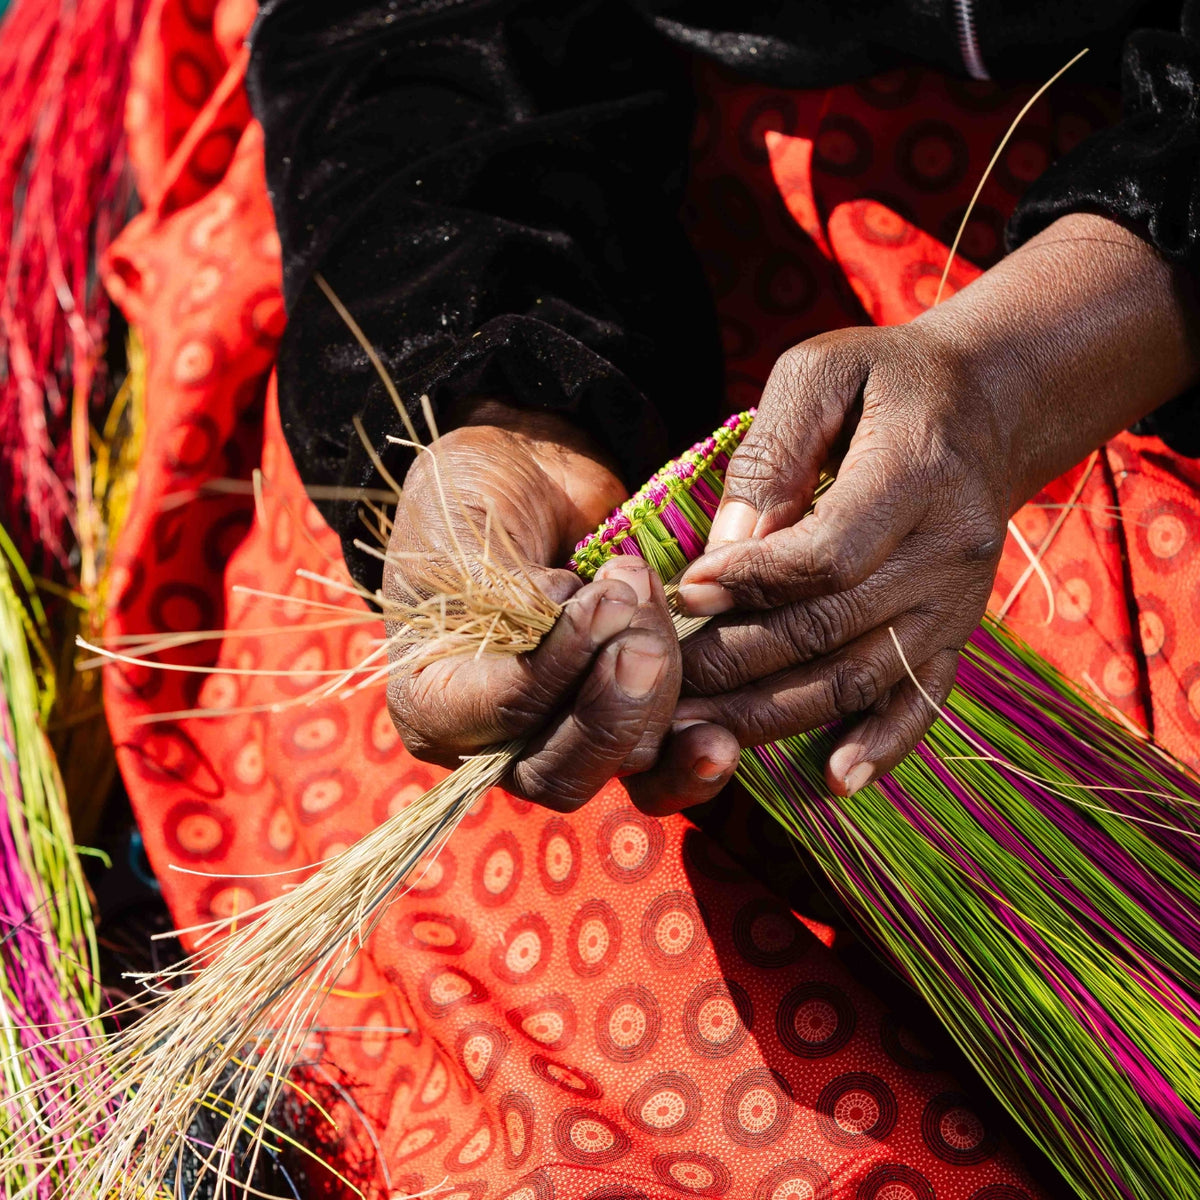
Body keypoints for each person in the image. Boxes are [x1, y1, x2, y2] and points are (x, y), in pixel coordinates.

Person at [100, 0, 1200, 1196]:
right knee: (594, 1046)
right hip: (610, 209)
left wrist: (1009, 381)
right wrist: (498, 406)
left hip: (1114, 276)